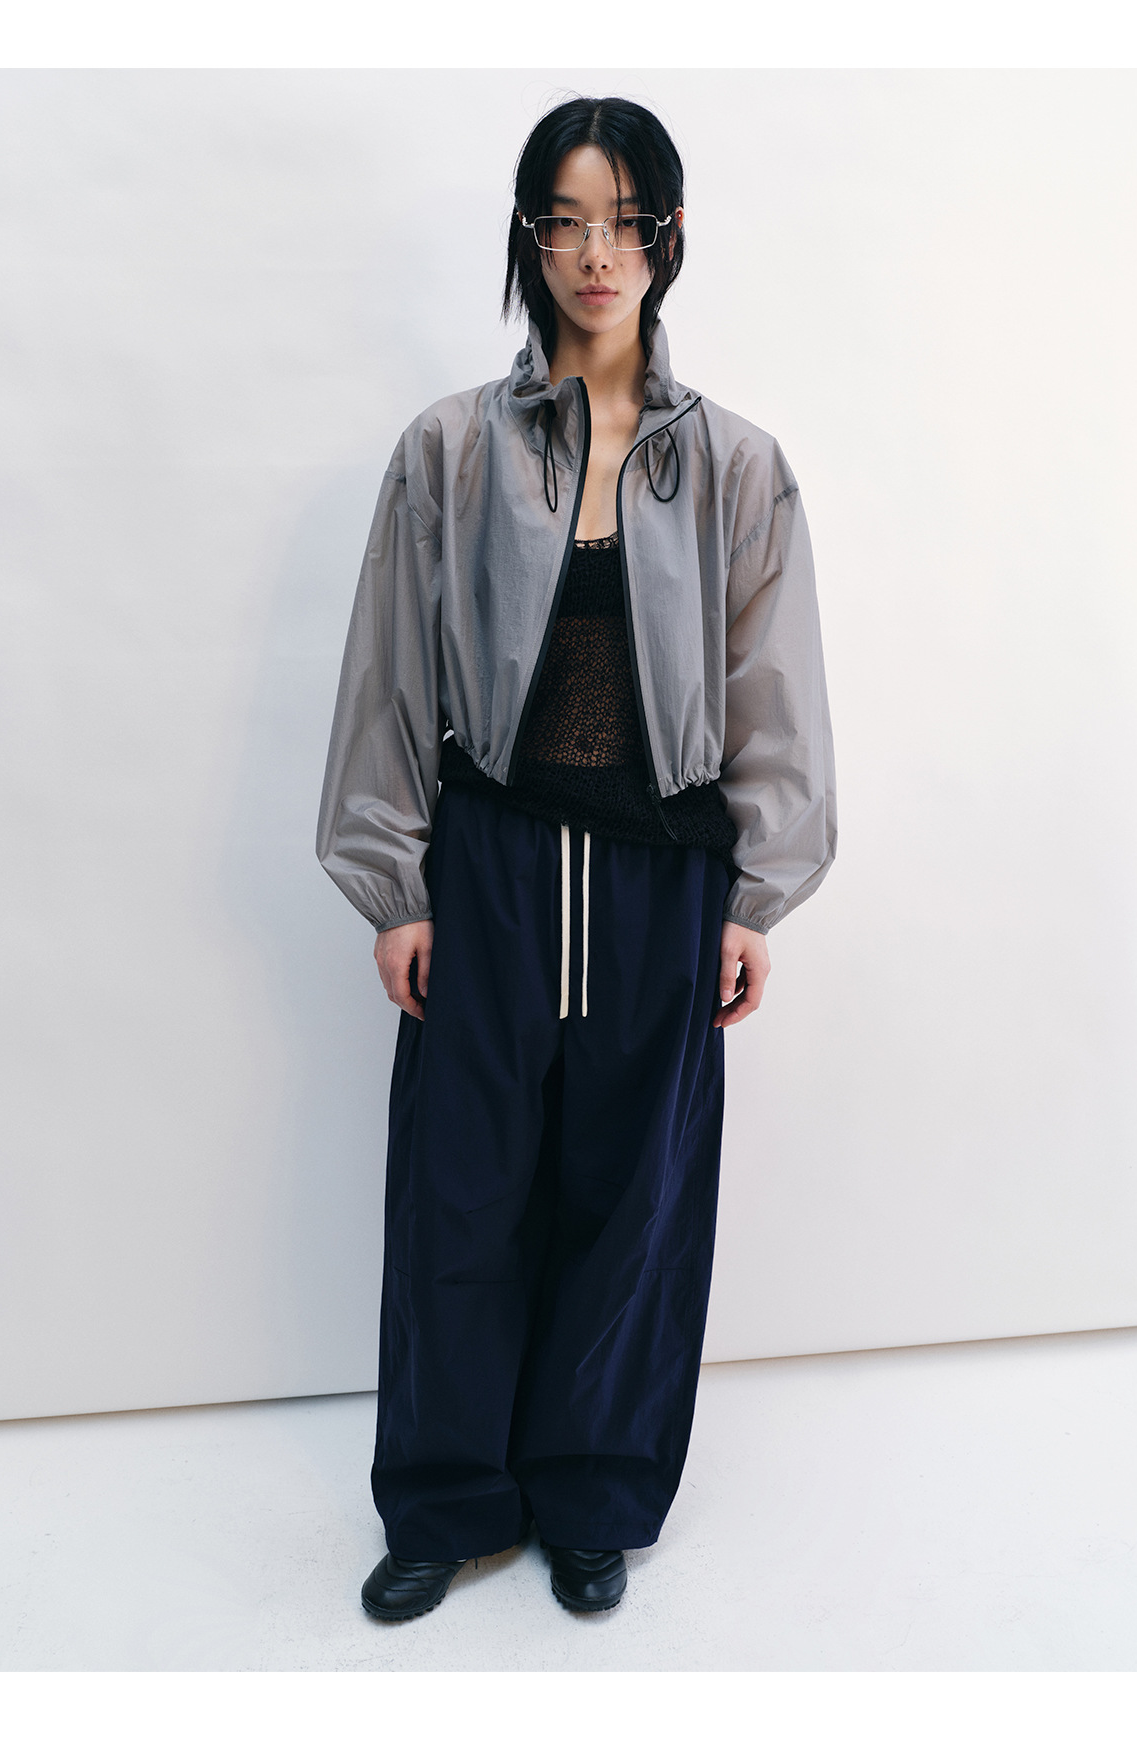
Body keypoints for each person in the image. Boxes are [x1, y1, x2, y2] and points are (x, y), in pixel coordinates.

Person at [316, 95, 836, 1621]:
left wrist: (754, 901)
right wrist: (394, 884)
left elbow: (773, 691)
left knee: (634, 1193)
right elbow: (389, 674)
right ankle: (447, 1499)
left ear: (667, 240)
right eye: (565, 219)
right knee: (461, 1186)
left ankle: (592, 1492)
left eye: (624, 221)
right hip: (487, 862)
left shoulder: (735, 465)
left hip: (664, 877)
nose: (595, 252)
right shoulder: (450, 452)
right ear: (529, 237)